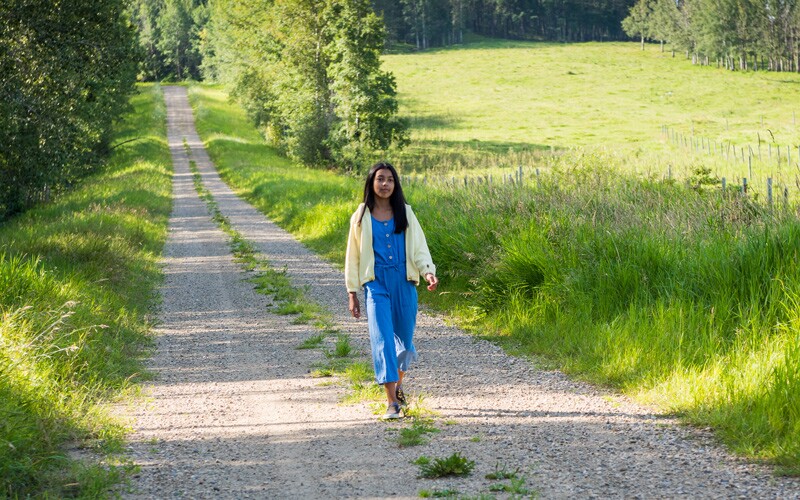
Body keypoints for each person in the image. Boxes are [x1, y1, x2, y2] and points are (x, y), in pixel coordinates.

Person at [345, 161, 438, 420]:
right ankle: (391, 403)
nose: (385, 184)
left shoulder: (405, 213)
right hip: (376, 284)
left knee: (405, 344)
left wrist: (427, 271)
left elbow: (419, 248)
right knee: (384, 340)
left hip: (404, 282)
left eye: (389, 180)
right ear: (371, 183)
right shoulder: (361, 215)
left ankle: (397, 387)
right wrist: (352, 291)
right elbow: (352, 257)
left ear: (395, 185)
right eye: (380, 179)